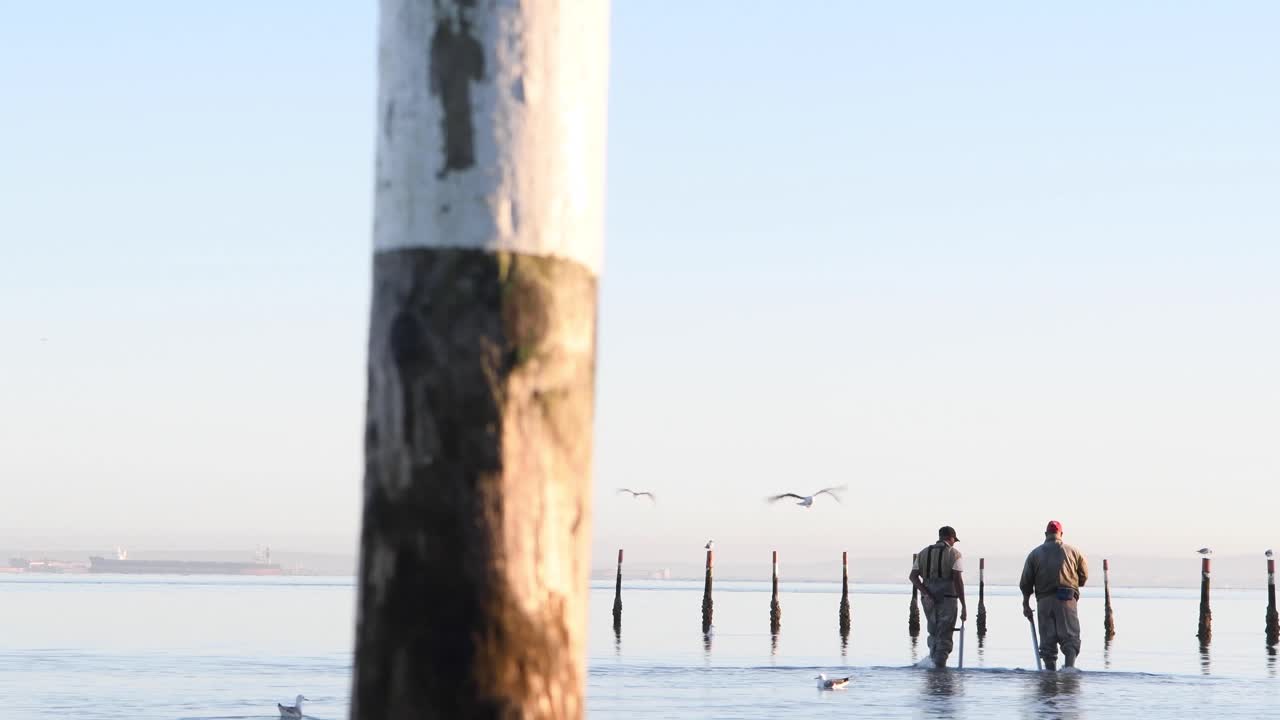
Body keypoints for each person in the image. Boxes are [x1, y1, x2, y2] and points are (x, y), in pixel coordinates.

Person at [1020, 520, 1089, 670]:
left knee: (1047, 642)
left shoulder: (1035, 554)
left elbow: (1026, 582)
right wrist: (1076, 583)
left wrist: (1026, 603)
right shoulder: (1074, 552)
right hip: (1067, 598)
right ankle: (1069, 669)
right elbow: (1084, 576)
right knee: (1070, 637)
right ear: (1061, 534)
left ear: (1046, 534)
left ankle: (1049, 677)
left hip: (1044, 600)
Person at [908, 525, 967, 668]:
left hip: (928, 600)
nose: (954, 543)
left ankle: (931, 668)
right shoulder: (955, 554)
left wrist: (926, 593)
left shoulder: (922, 553)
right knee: (944, 635)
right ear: (950, 538)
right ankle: (939, 674)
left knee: (933, 633)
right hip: (947, 599)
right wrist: (964, 605)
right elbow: (957, 580)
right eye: (954, 540)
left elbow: (913, 577)